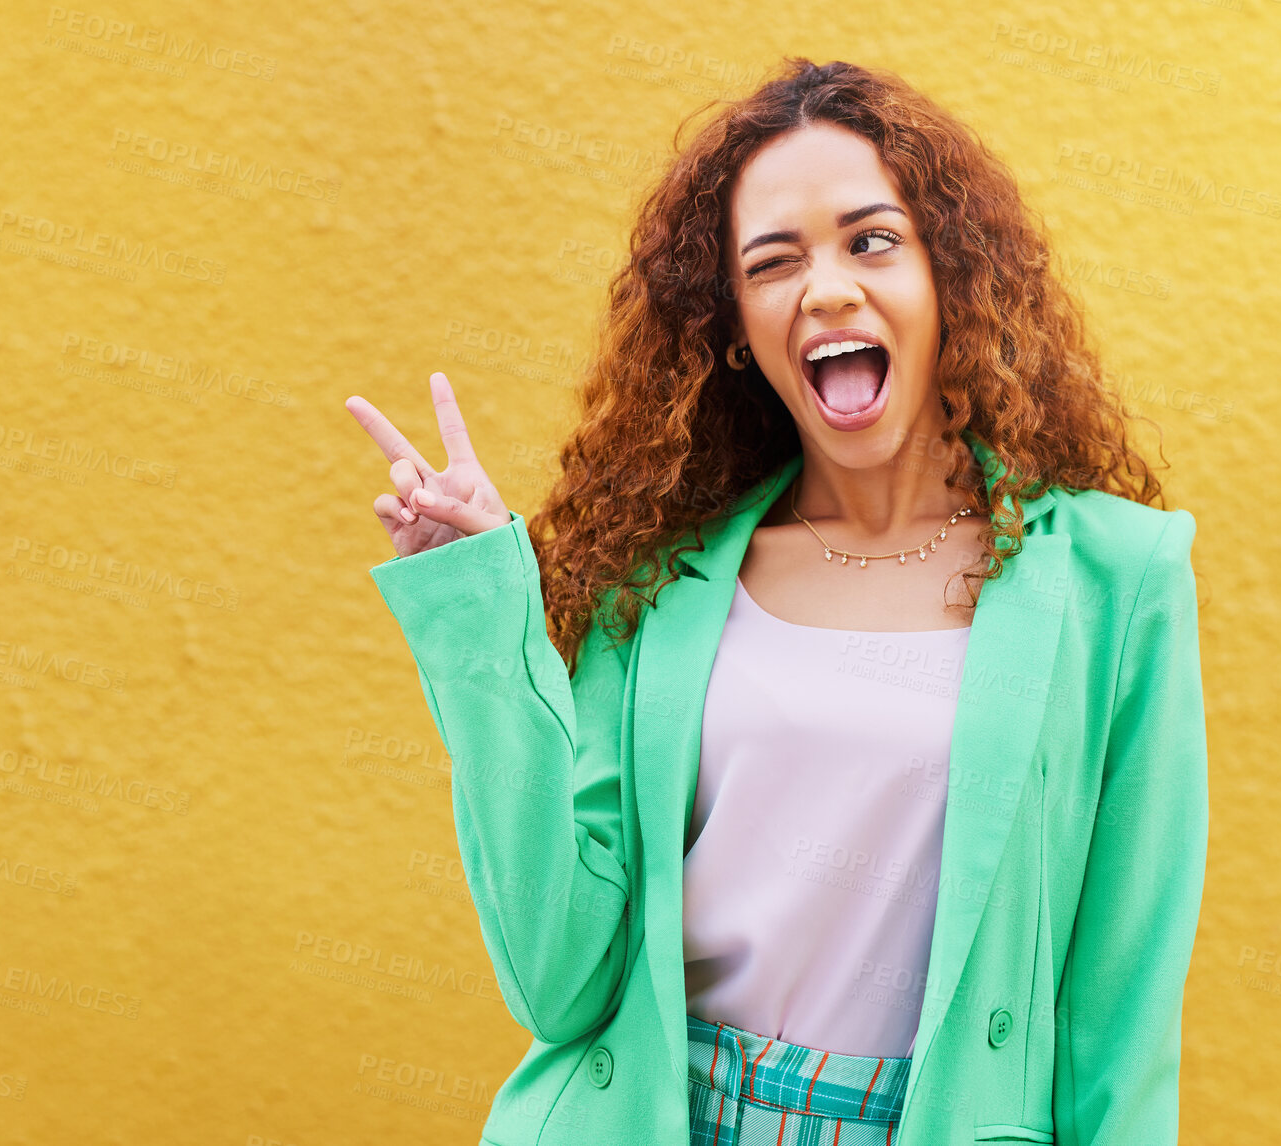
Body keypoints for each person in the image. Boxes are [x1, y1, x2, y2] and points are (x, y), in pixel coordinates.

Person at [345, 57, 1207, 1146]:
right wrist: (476, 615)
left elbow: (1123, 1010)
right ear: (736, 330)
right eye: (773, 262)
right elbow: (557, 981)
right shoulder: (657, 579)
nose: (828, 288)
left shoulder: (1116, 581)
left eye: (872, 240)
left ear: (954, 276)